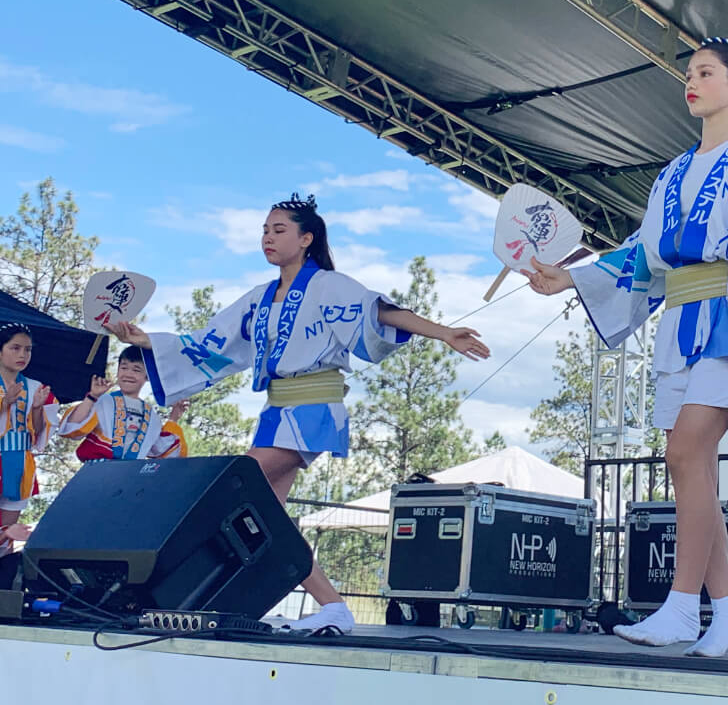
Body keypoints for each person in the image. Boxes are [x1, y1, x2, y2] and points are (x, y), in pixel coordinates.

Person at [522, 37, 728, 657]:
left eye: (706, 73)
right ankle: (725, 613)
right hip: (680, 323)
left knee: (684, 452)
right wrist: (568, 275)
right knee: (690, 467)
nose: (691, 83)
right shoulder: (672, 173)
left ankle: (679, 609)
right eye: (688, 74)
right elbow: (643, 254)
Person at [110, 193, 490, 633]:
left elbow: (381, 311)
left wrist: (444, 333)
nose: (267, 238)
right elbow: (207, 342)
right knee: (266, 523)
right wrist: (145, 341)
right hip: (276, 410)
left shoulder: (328, 285)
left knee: (229, 484)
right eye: (264, 231)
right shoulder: (260, 297)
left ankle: (205, 592)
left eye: (279, 230)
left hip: (312, 407)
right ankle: (331, 605)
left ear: (306, 238)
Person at [59, 345, 189, 461]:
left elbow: (163, 451)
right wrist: (92, 397)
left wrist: (174, 417)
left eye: (136, 370)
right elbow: (72, 428)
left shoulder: (151, 415)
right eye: (124, 367)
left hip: (128, 476)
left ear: (148, 376)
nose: (128, 374)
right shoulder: (104, 401)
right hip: (96, 471)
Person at [0, 322, 58, 530]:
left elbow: (39, 432)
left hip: (20, 461)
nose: (22, 354)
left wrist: (36, 408)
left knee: (7, 532)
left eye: (28, 349)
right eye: (15, 348)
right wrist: (5, 403)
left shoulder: (35, 388)